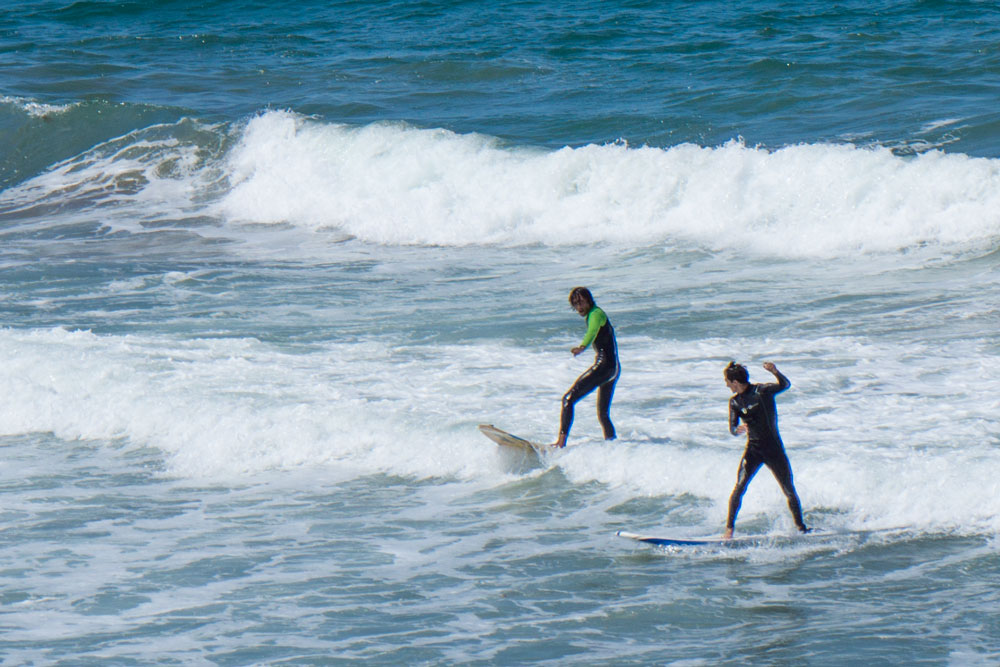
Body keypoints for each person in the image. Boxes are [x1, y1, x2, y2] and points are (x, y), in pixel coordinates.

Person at [722, 361, 808, 538]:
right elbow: (732, 427)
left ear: (735, 382)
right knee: (739, 487)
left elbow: (785, 385)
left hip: (773, 450)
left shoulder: (762, 391)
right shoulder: (734, 403)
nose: (726, 385)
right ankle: (729, 531)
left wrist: (775, 372)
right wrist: (736, 430)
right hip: (753, 450)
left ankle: (801, 528)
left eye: (727, 381)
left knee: (788, 489)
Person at [550, 287, 620, 448]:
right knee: (603, 414)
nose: (579, 307)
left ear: (589, 300)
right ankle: (613, 446)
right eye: (575, 304)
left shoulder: (595, 314)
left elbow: (592, 331)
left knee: (568, 400)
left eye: (581, 302)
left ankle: (560, 444)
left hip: (604, 366)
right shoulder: (596, 313)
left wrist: (582, 347)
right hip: (613, 368)